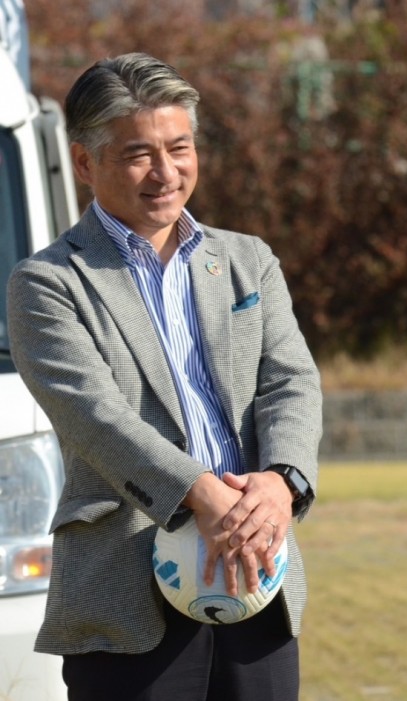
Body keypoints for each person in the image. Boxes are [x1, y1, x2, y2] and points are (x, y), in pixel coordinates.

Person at [6, 52, 323, 701]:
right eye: (138, 154)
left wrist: (281, 483)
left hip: (256, 578)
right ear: (84, 163)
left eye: (179, 148)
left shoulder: (248, 261)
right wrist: (205, 495)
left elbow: (291, 381)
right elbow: (95, 417)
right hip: (124, 595)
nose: (166, 172)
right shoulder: (47, 283)